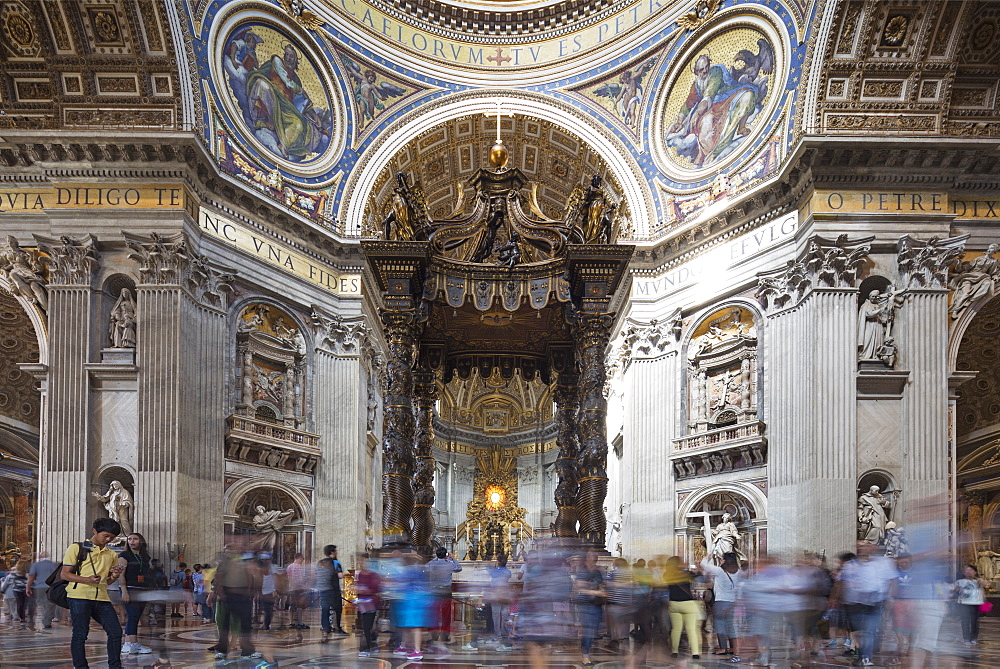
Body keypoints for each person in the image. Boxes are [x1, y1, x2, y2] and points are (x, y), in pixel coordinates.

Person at [62, 517, 126, 669]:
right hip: (79, 597)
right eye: (106, 536)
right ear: (95, 531)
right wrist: (87, 579)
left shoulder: (111, 554)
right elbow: (65, 574)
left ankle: (115, 666)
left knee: (116, 632)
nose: (109, 539)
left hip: (102, 598)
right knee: (80, 634)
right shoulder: (77, 548)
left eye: (112, 537)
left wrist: (114, 576)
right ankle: (81, 666)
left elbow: (106, 581)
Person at [212, 547, 262, 661]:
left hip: (243, 596)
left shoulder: (245, 562)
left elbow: (250, 577)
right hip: (228, 595)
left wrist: (250, 592)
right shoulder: (225, 563)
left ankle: (247, 651)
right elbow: (218, 577)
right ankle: (221, 651)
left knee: (245, 626)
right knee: (225, 625)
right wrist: (221, 593)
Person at [117, 532, 154, 655]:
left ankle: (127, 643)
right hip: (130, 588)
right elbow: (121, 574)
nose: (132, 541)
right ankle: (134, 644)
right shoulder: (124, 555)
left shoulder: (145, 556)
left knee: (136, 617)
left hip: (142, 589)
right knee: (132, 616)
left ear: (141, 541)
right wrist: (124, 591)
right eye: (130, 539)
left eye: (135, 539)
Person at [701, 552, 744, 656]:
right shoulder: (739, 572)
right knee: (730, 626)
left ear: (724, 561)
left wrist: (709, 555)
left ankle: (723, 648)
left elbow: (703, 564)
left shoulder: (720, 571)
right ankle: (733, 648)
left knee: (720, 626)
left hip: (720, 602)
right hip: (732, 603)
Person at [573, 550, 605, 667]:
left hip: (596, 604)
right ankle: (585, 656)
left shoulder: (598, 571)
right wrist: (593, 591)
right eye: (590, 558)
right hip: (585, 604)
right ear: (587, 559)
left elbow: (601, 585)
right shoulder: (583, 570)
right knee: (587, 631)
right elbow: (578, 586)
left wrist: (601, 591)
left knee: (593, 631)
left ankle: (586, 652)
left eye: (594, 558)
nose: (592, 560)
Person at [426, 546, 462, 652]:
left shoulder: (432, 564)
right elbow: (459, 567)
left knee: (434, 614)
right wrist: (452, 558)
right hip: (446, 591)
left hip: (434, 591)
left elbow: (426, 567)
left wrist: (436, 559)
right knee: (446, 615)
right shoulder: (449, 564)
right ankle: (445, 634)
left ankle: (433, 635)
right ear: (446, 554)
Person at [353, 553, 382, 657]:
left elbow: (377, 589)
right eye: (360, 561)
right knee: (364, 626)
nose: (361, 563)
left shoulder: (374, 575)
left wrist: (365, 591)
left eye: (363, 561)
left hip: (371, 603)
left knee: (368, 626)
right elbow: (357, 586)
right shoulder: (359, 574)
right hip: (361, 603)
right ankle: (371, 645)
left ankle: (366, 647)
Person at [317, 544, 346, 640]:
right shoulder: (335, 562)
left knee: (325, 611)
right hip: (333, 590)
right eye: (336, 551)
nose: (337, 552)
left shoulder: (320, 562)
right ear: (332, 552)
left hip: (323, 590)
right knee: (337, 609)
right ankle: (337, 627)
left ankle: (325, 630)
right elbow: (340, 575)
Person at [486, 555, 514, 651]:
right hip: (505, 595)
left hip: (496, 595)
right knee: (504, 615)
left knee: (496, 616)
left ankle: (498, 635)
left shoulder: (494, 571)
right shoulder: (508, 572)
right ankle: (504, 633)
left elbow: (488, 569)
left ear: (498, 562)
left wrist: (491, 564)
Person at [954, 564, 987, 645]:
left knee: (974, 622)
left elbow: (985, 584)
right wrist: (956, 590)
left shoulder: (978, 581)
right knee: (965, 622)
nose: (969, 572)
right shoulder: (959, 581)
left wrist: (980, 580)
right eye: (967, 570)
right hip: (964, 604)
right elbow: (953, 591)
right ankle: (966, 638)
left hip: (976, 603)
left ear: (975, 572)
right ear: (964, 572)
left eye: (971, 570)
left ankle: (973, 638)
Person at [26, 550, 59, 629]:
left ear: (40, 557)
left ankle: (46, 620)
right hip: (51, 587)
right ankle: (48, 620)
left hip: (40, 587)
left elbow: (31, 577)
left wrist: (28, 587)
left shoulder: (36, 565)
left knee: (43, 604)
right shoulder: (54, 565)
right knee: (50, 604)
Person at [1, 558, 30, 629]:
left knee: (12, 607)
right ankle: (19, 617)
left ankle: (16, 617)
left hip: (10, 594)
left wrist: (2, 590)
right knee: (20, 605)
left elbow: (5, 585)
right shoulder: (27, 575)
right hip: (23, 593)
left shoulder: (11, 575)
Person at [285, 552, 310, 629]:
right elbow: (300, 579)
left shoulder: (289, 567)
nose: (303, 560)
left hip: (291, 588)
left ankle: (291, 622)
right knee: (300, 605)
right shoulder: (299, 567)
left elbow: (287, 578)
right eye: (302, 559)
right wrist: (305, 586)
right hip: (299, 589)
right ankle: (300, 622)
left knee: (291, 605)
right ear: (299, 558)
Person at [257, 552, 277, 631]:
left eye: (266, 560)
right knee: (265, 609)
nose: (264, 561)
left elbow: (276, 579)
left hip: (270, 591)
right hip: (263, 591)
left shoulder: (272, 568)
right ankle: (265, 623)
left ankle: (266, 624)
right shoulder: (260, 569)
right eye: (263, 560)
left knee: (268, 609)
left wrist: (275, 590)